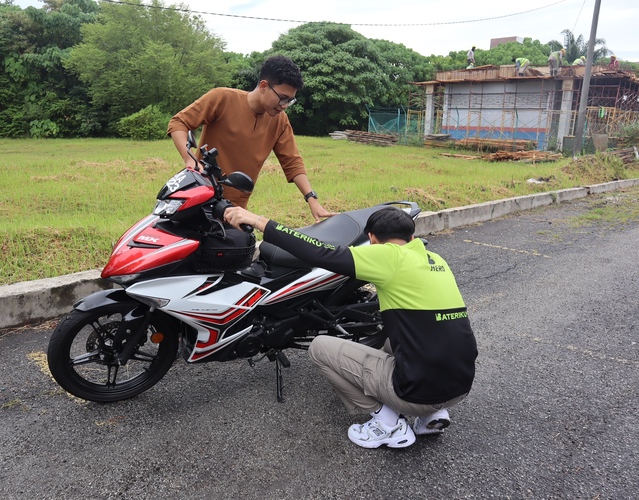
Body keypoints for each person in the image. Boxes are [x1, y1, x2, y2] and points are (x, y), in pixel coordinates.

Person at [224, 205, 478, 449]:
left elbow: (320, 253)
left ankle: (386, 422)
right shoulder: (436, 260)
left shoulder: (387, 255)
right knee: (412, 334)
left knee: (320, 348)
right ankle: (432, 415)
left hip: (415, 394)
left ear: (372, 239)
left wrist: (258, 221)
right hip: (461, 388)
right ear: (411, 236)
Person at [167, 55, 334, 222]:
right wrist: (190, 160)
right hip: (199, 197)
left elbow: (292, 162)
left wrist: (312, 199)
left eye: (290, 101)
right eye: (282, 98)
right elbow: (179, 122)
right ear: (263, 86)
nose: (284, 106)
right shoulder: (222, 98)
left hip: (235, 210)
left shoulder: (280, 121)